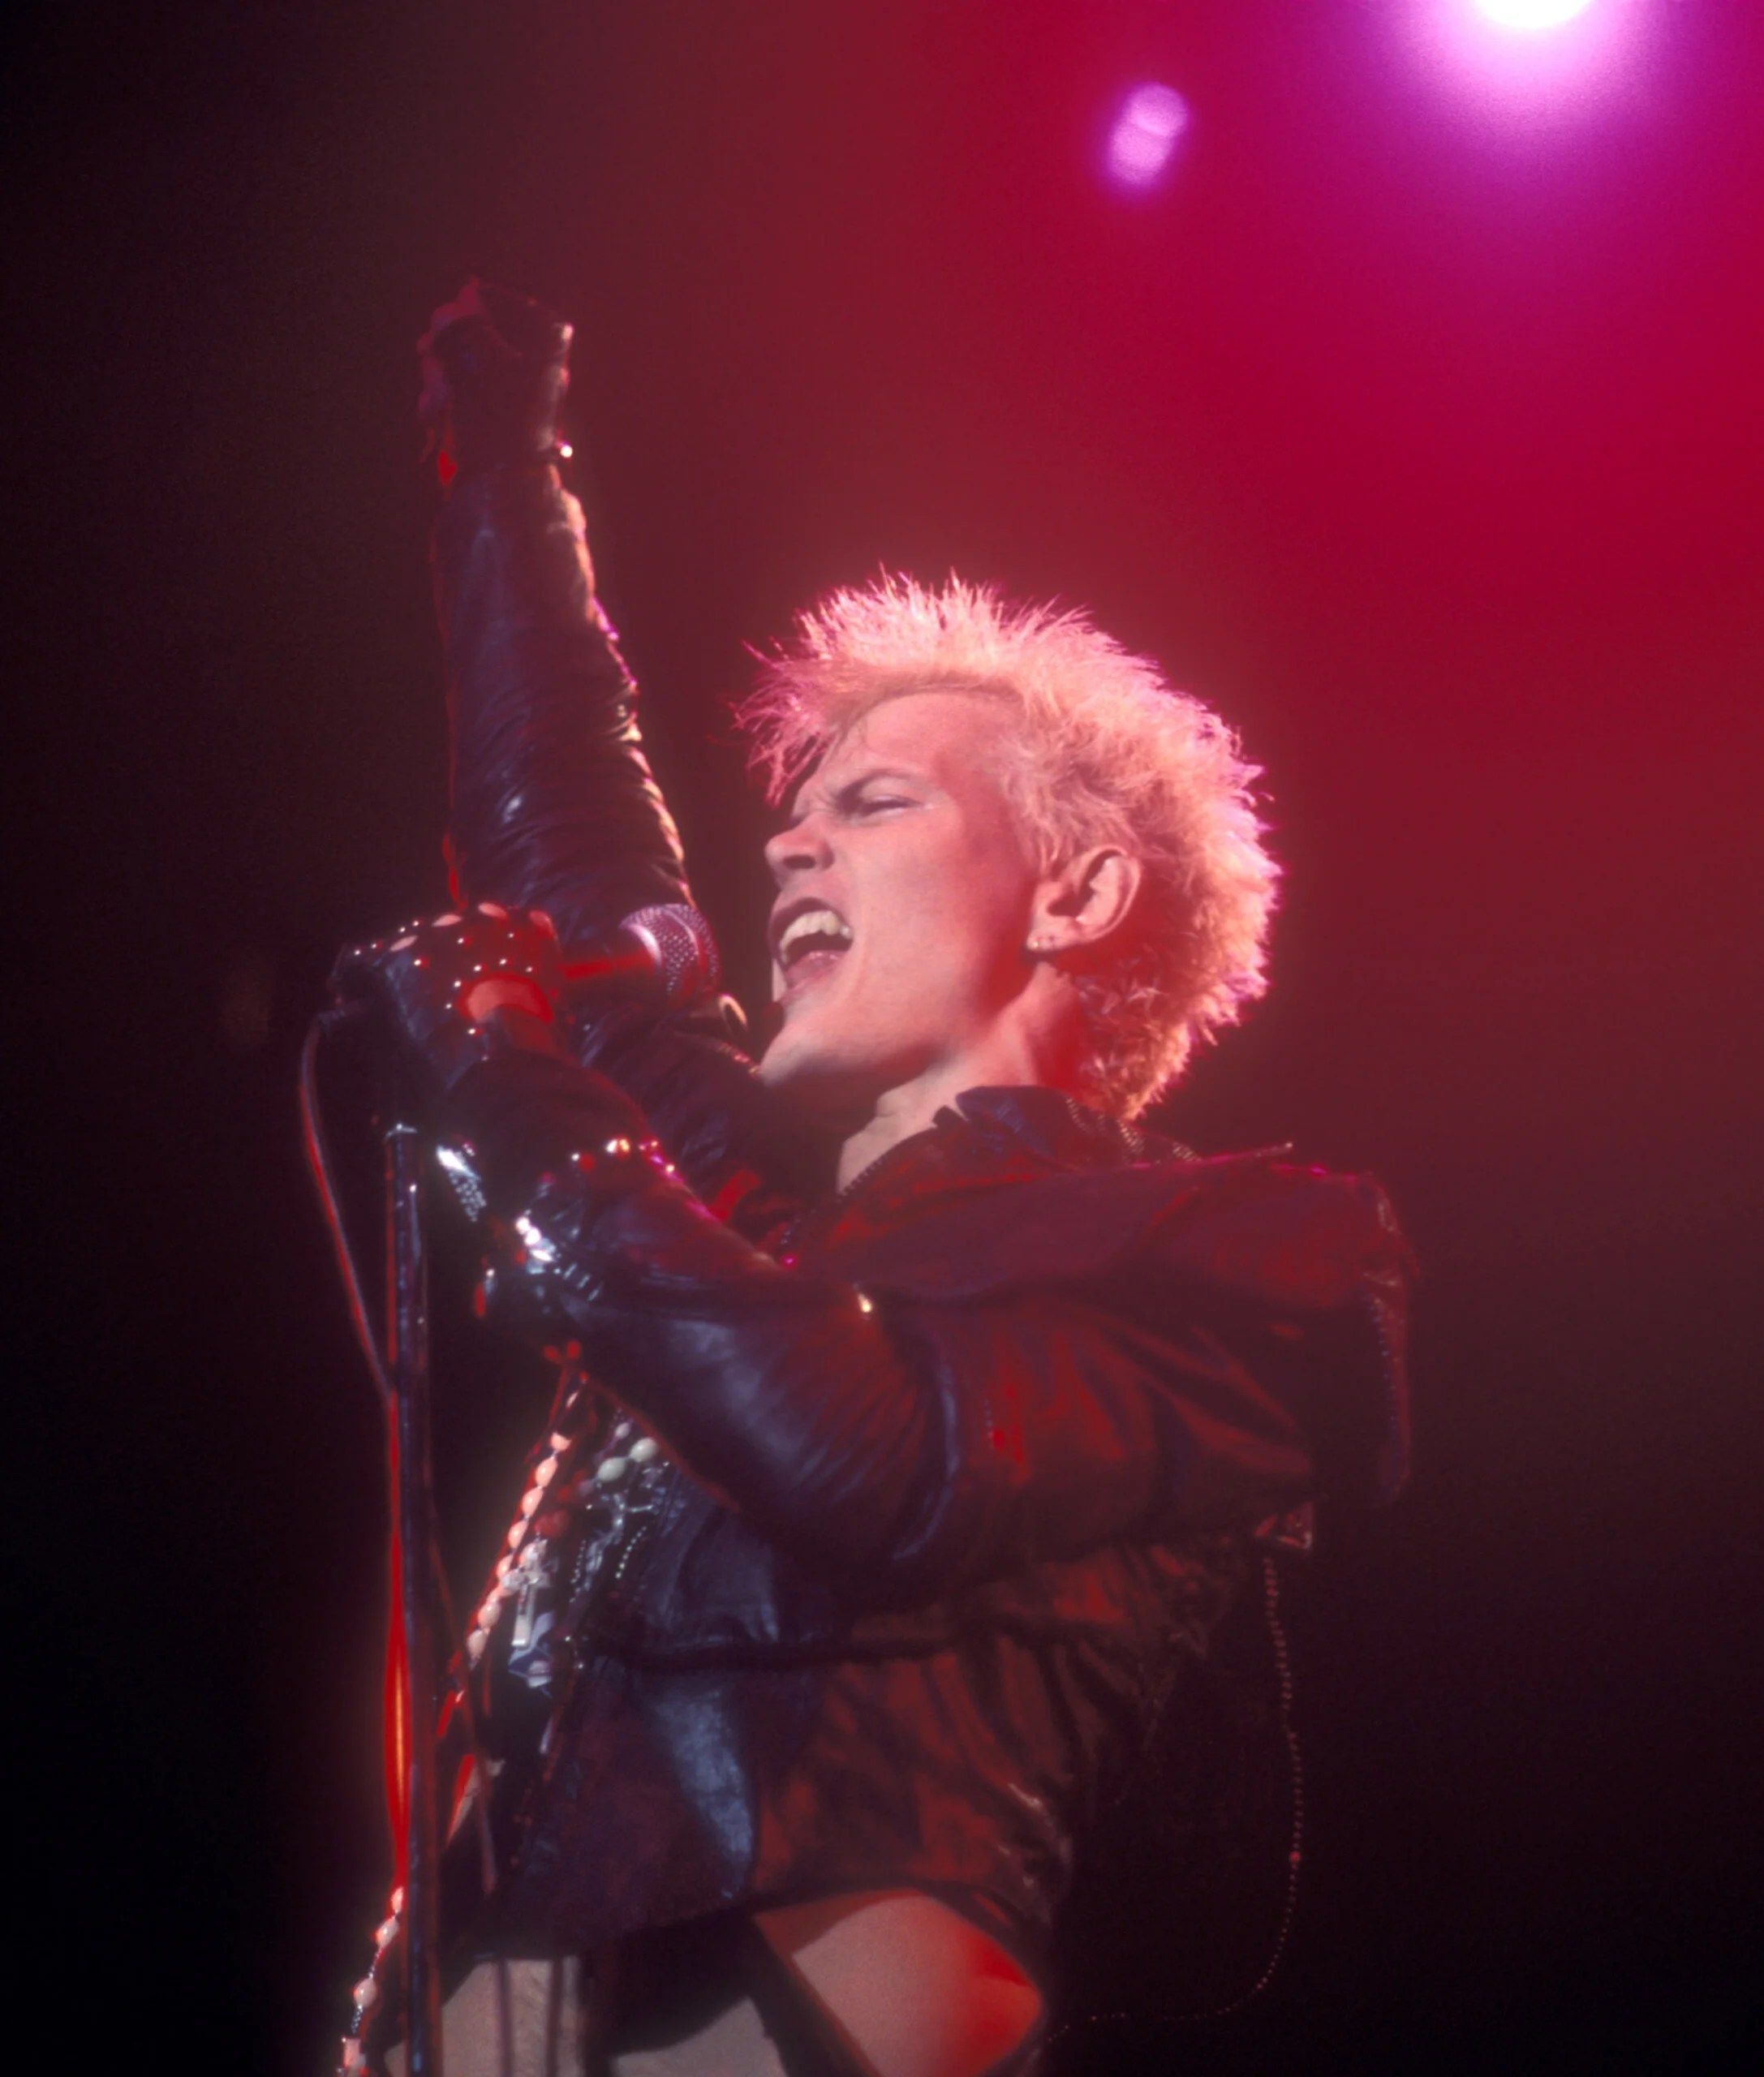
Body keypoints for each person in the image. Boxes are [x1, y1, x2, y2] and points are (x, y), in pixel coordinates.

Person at [335, 282, 1410, 2077]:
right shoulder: (757, 1217)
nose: (786, 841)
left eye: (876, 805)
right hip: (503, 2013)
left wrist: (528, 1116)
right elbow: (580, 853)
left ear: (1074, 898)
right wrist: (505, 482)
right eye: (795, 810)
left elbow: (867, 1447)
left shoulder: (1230, 1267)